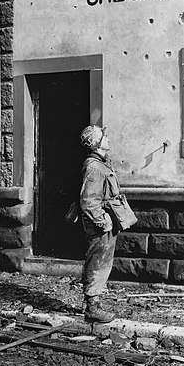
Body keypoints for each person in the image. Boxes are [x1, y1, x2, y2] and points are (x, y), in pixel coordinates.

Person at [79, 125, 122, 323]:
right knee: (97, 263)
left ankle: (95, 303)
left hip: (105, 221)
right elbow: (88, 200)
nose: (109, 139)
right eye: (105, 137)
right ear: (97, 143)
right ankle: (92, 308)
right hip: (100, 223)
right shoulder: (95, 167)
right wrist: (102, 222)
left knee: (102, 262)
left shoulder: (101, 163)